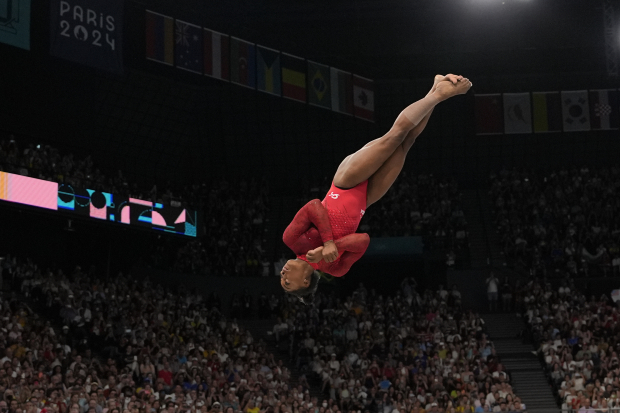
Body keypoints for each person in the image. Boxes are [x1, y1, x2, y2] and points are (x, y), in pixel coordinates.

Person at [280, 74, 472, 303]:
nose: (282, 275)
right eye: (286, 282)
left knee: (394, 137)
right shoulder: (335, 269)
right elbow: (363, 240)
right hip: (366, 199)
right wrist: (332, 248)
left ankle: (439, 94)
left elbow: (313, 206)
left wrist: (329, 243)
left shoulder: (291, 240)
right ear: (305, 282)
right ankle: (434, 89)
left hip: (344, 183)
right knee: (405, 143)